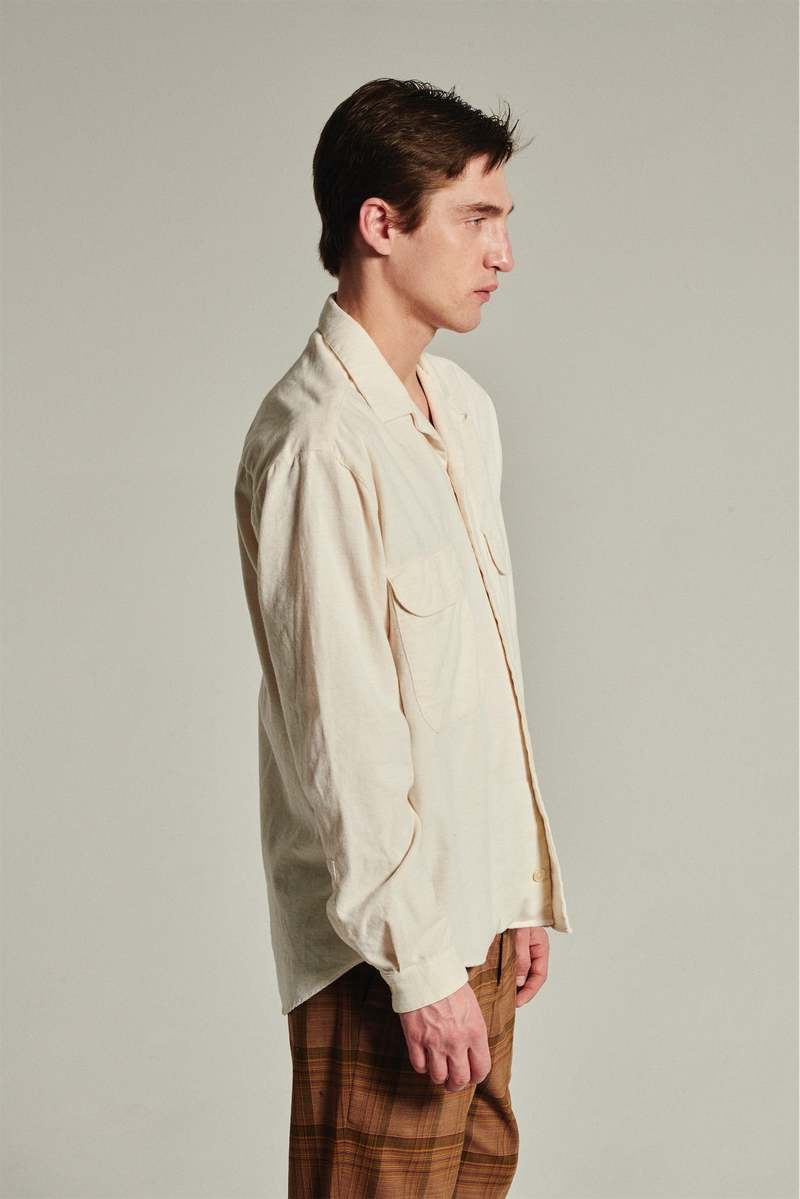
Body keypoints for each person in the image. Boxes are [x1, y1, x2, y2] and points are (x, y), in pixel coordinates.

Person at [233, 76, 573, 1198]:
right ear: (380, 223)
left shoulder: (460, 412)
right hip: (388, 958)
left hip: (476, 927)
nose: (503, 254)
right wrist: (420, 964)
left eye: (504, 220)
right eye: (476, 219)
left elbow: (474, 686)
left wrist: (515, 889)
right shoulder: (318, 441)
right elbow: (342, 735)